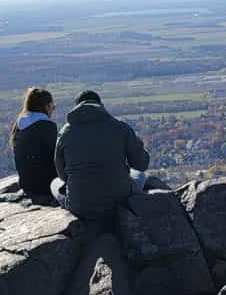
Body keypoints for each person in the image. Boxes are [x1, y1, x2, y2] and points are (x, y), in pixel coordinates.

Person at [53, 89, 149, 225]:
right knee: (140, 175)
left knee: (54, 184)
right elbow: (141, 165)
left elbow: (62, 175)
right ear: (100, 105)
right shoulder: (120, 127)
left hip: (80, 206)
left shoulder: (65, 132)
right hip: (119, 200)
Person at [11, 87, 58, 204]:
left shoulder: (19, 127)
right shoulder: (47, 127)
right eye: (52, 105)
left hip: (27, 186)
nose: (54, 108)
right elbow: (58, 158)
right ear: (46, 107)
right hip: (47, 187)